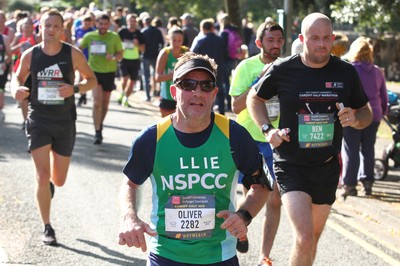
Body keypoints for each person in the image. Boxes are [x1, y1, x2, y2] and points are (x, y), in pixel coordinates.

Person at [118, 52, 272, 266]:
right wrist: (129, 216)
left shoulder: (234, 135)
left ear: (215, 93)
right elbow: (130, 183)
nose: (197, 93)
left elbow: (261, 185)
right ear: (174, 91)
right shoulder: (152, 138)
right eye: (188, 84)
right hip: (165, 255)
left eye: (206, 86)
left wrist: (244, 215)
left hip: (219, 256)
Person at [246, 13, 373, 265]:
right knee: (304, 238)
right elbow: (254, 98)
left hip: (326, 166)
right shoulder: (283, 69)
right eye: (315, 38)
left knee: (312, 239)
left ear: (333, 39)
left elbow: (366, 112)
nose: (322, 44)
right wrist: (267, 130)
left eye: (327, 38)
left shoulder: (345, 72)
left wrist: (355, 119)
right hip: (291, 164)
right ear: (302, 39)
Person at [11, 10, 97, 245]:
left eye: (55, 26)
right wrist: (15, 91)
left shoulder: (73, 54)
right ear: (40, 27)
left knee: (58, 180)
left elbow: (92, 80)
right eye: (46, 25)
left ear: (62, 30)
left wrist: (75, 89)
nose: (50, 30)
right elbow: (16, 78)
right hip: (38, 118)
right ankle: (47, 227)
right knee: (41, 175)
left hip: (64, 121)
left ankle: (50, 184)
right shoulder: (31, 55)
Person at [229, 21, 285, 265]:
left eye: (279, 40)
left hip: (276, 140)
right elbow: (235, 106)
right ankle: (242, 224)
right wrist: (259, 82)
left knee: (274, 198)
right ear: (260, 43)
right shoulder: (246, 66)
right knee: (253, 195)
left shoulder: (288, 67)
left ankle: (265, 255)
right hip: (249, 139)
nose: (275, 45)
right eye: (270, 40)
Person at [340, 37, 388, 197]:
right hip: (374, 114)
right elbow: (384, 96)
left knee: (350, 150)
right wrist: (383, 112)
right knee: (368, 149)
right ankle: (367, 183)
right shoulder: (377, 71)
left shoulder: (349, 69)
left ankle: (350, 185)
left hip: (353, 114)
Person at [80, 13, 123, 145]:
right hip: (94, 73)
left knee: (105, 105)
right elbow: (78, 49)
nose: (103, 26)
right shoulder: (90, 36)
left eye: (105, 24)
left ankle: (100, 123)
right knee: (97, 103)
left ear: (108, 24)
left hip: (109, 73)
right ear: (96, 24)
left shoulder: (114, 37)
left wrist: (114, 58)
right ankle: (97, 131)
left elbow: (120, 54)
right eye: (100, 24)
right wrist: (81, 65)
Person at [190, 18, 225, 114]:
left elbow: (192, 55)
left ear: (202, 28)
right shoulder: (220, 40)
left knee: (206, 92)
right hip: (219, 68)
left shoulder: (200, 40)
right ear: (212, 28)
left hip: (204, 71)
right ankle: (222, 114)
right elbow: (225, 54)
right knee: (220, 92)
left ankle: (209, 113)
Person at [155, 27, 188, 117]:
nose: (177, 43)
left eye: (179, 40)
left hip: (183, 96)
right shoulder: (165, 53)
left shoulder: (186, 52)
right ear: (169, 39)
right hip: (167, 96)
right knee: (167, 127)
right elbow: (157, 78)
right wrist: (175, 75)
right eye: (174, 40)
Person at [117, 13, 145, 107]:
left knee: (132, 81)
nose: (132, 23)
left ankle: (126, 98)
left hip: (135, 59)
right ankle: (122, 94)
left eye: (134, 21)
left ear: (136, 22)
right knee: (124, 79)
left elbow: (143, 49)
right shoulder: (122, 32)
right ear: (127, 21)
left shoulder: (139, 33)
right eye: (130, 21)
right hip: (124, 59)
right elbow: (116, 44)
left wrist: (137, 44)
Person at [141, 15, 164, 101]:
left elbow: (141, 44)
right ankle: (161, 95)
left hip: (146, 56)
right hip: (156, 56)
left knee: (146, 77)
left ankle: (148, 96)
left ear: (144, 23)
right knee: (158, 76)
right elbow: (161, 43)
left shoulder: (143, 31)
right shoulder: (157, 31)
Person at [0, 24, 12, 123]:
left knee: (0, 102)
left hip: (0, 71)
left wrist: (5, 63)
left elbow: (9, 55)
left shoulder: (4, 38)